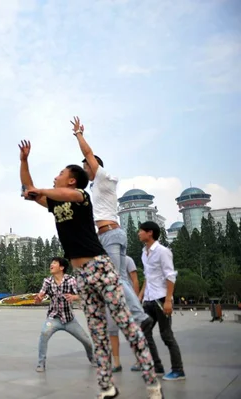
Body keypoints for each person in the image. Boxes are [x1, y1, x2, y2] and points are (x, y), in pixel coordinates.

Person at [20, 138, 162, 399]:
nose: (56, 177)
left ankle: (153, 384)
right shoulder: (56, 202)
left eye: (60, 174)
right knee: (97, 332)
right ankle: (107, 387)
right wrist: (24, 161)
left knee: (126, 325)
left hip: (99, 267)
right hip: (82, 275)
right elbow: (28, 188)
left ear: (72, 179)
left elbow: (52, 192)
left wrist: (38, 189)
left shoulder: (81, 196)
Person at [72, 116, 154, 373]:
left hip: (111, 234)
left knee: (116, 278)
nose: (85, 167)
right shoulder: (96, 186)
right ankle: (136, 318)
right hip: (107, 234)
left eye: (87, 165)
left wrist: (78, 135)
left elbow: (88, 153)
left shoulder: (104, 177)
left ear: (95, 166)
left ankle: (140, 318)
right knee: (113, 278)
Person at [138, 221, 186, 381]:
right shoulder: (144, 253)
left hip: (160, 299)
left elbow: (170, 276)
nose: (139, 233)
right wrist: (140, 295)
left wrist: (168, 300)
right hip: (149, 300)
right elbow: (147, 276)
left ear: (149, 232)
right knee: (144, 333)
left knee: (166, 335)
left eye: (141, 231)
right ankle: (157, 366)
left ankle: (178, 370)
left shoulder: (163, 251)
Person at [34, 257, 94, 372]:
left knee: (86, 340)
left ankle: (92, 358)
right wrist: (39, 298)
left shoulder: (70, 280)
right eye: (51, 263)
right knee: (44, 334)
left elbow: (82, 294)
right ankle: (41, 363)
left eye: (54, 263)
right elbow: (41, 294)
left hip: (69, 320)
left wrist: (74, 297)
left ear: (61, 268)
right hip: (53, 318)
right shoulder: (47, 281)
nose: (51, 265)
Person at [109, 256, 143, 371]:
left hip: (127, 300)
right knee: (112, 332)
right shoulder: (106, 261)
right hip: (111, 300)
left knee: (133, 330)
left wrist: (136, 298)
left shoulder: (128, 260)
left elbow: (135, 279)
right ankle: (117, 363)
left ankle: (139, 360)